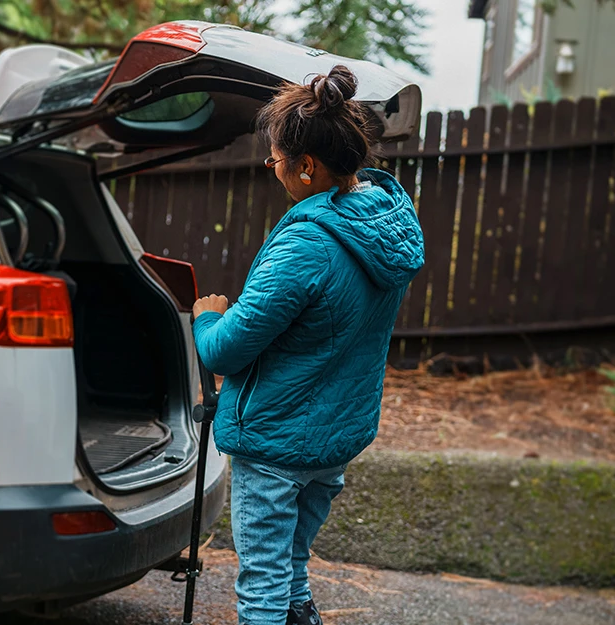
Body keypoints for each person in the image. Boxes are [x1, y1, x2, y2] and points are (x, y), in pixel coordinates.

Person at [190, 66, 425, 625]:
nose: (272, 170)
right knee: (292, 566)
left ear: (307, 166)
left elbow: (224, 352)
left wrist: (206, 319)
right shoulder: (385, 219)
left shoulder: (306, 245)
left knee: (263, 585)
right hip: (334, 438)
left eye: (274, 161)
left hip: (276, 444)